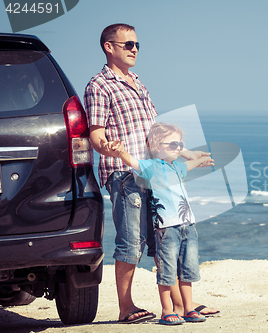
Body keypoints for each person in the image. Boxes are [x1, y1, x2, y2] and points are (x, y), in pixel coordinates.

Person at [84, 23, 217, 323]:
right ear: (109, 47)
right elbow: (95, 134)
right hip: (124, 172)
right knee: (131, 240)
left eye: (136, 45)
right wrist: (109, 148)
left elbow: (157, 134)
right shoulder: (99, 85)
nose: (134, 49)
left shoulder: (138, 83)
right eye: (127, 44)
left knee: (164, 238)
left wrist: (186, 153)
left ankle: (184, 305)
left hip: (155, 172)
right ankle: (126, 307)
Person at [112, 123, 213, 325]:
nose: (178, 148)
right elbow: (132, 161)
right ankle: (167, 310)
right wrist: (120, 152)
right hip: (167, 228)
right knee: (167, 269)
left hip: (188, 226)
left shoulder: (178, 167)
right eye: (173, 144)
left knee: (187, 270)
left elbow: (190, 164)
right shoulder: (151, 166)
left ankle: (188, 308)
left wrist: (200, 158)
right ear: (156, 145)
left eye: (180, 144)